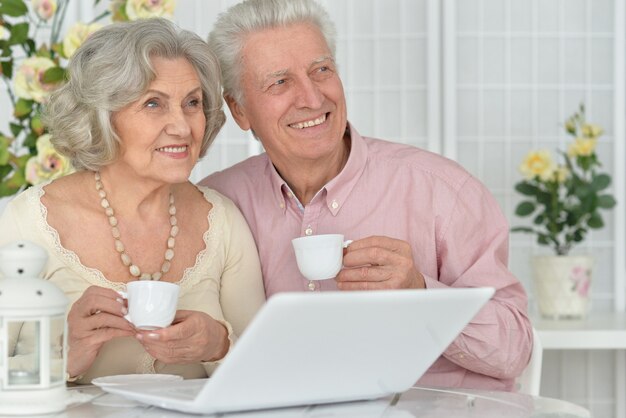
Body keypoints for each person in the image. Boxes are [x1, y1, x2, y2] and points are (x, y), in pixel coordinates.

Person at [201, 0, 532, 391]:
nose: (311, 97)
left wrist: (420, 293)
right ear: (239, 110)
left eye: (321, 70)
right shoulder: (218, 205)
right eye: (280, 82)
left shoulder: (442, 191)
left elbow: (514, 349)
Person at [0, 18, 265, 384]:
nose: (183, 126)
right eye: (154, 104)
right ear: (103, 117)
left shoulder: (222, 222)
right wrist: (66, 357)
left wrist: (220, 345)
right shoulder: (26, 225)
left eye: (192, 103)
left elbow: (265, 374)